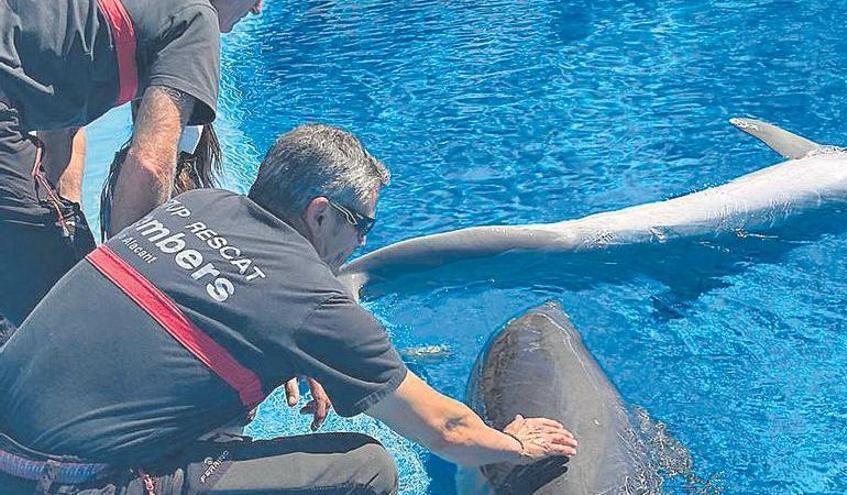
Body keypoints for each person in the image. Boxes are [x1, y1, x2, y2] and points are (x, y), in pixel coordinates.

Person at [0, 124, 578, 494]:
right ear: (321, 214)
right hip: (62, 482)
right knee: (367, 467)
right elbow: (447, 429)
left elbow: (214, 299)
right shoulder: (313, 301)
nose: (362, 245)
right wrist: (516, 444)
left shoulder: (202, 204)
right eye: (362, 225)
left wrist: (300, 354)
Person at [0, 0, 262, 329]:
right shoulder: (196, 18)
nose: (259, 9)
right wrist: (125, 298)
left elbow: (59, 132)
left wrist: (65, 222)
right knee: (78, 320)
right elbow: (150, 163)